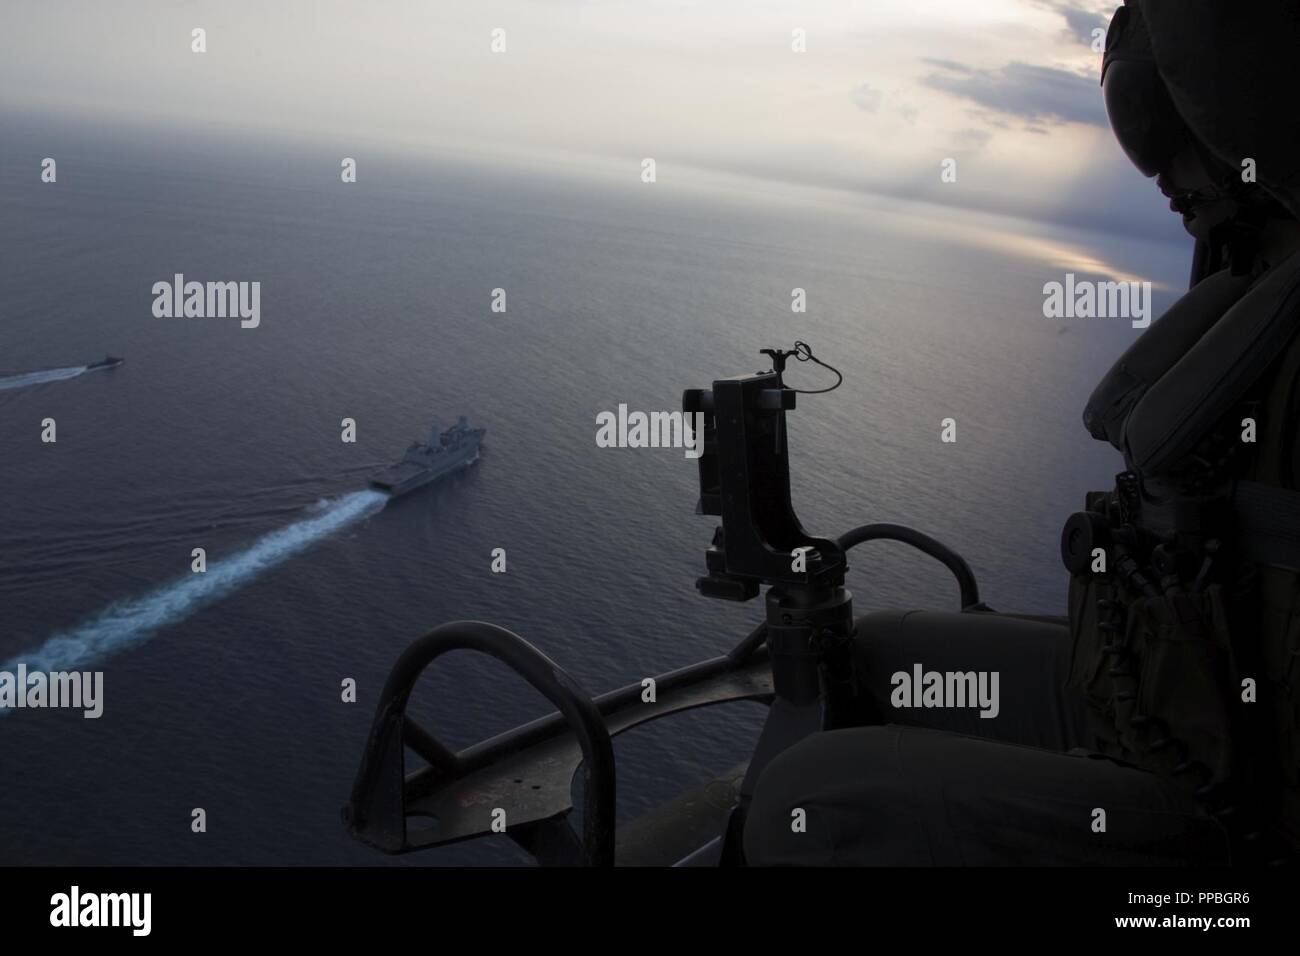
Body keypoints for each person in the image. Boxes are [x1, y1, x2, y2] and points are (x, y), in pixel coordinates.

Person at [744, 0, 1300, 865]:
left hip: (1240, 798)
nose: (1159, 173)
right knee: (878, 653)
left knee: (805, 805)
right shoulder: (1262, 268)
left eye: (1175, 123)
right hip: (1174, 699)